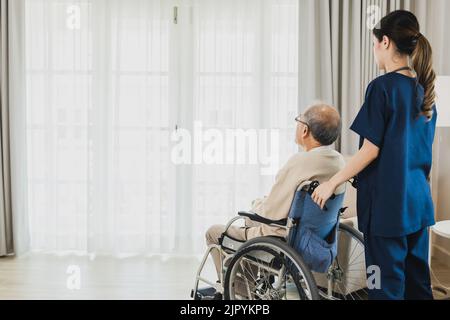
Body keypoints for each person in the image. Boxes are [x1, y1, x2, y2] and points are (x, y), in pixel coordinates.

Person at [311, 10, 437, 300]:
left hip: (387, 211)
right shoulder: (424, 91)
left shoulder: (382, 88)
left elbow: (370, 150)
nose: (373, 50)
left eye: (374, 43)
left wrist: (332, 182)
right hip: (418, 206)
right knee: (419, 287)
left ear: (385, 42)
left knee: (381, 288)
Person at [205, 103, 346, 282]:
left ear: (305, 130)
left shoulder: (300, 162)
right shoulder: (339, 162)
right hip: (317, 238)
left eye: (298, 120)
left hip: (284, 238)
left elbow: (271, 211)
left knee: (214, 232)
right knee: (250, 221)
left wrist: (256, 203)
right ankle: (257, 285)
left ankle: (239, 292)